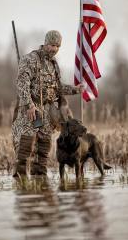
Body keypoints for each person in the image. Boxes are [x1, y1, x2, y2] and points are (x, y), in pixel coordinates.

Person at [12, 30, 83, 177]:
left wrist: (75, 89)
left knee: (44, 147)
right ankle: (20, 181)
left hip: (47, 112)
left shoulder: (53, 64)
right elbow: (21, 83)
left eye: (58, 46)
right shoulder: (30, 59)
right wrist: (29, 105)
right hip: (31, 109)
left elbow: (58, 87)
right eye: (52, 45)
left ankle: (40, 180)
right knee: (26, 146)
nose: (55, 49)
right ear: (45, 43)